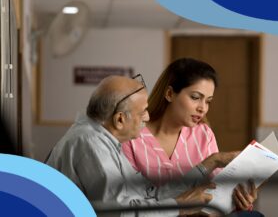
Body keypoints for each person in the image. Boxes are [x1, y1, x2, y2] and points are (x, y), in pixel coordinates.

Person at [46, 75, 236, 217]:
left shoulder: (103, 140)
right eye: (143, 112)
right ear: (120, 119)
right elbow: (123, 213)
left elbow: (149, 193)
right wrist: (179, 206)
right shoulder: (89, 143)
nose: (147, 117)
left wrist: (210, 163)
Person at [122, 58, 258, 211]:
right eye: (195, 97)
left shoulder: (204, 134)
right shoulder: (131, 137)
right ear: (169, 94)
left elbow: (217, 191)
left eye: (208, 101)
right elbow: (129, 202)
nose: (203, 108)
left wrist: (238, 201)